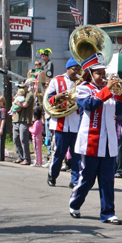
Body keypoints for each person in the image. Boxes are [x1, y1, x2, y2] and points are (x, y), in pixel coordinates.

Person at [68, 54, 122, 223]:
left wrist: (120, 93)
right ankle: (75, 203)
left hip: (109, 143)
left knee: (107, 181)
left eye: (103, 72)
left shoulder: (108, 90)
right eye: (98, 73)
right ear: (90, 74)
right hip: (90, 142)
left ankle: (108, 213)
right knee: (87, 179)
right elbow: (90, 105)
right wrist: (107, 89)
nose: (102, 76)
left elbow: (120, 111)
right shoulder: (83, 88)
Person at [45, 58, 82, 188]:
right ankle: (52, 175)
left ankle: (75, 180)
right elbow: (48, 99)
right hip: (61, 123)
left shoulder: (82, 82)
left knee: (77, 154)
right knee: (59, 153)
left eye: (79, 69)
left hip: (77, 123)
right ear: (68, 69)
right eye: (75, 69)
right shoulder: (57, 80)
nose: (77, 72)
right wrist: (57, 97)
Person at [12, 79, 35, 165]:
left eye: (22, 87)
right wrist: (16, 102)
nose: (20, 89)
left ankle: (27, 159)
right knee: (15, 139)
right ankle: (19, 157)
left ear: (27, 87)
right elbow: (13, 104)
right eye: (19, 87)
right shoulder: (18, 95)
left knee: (23, 139)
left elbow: (25, 105)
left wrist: (17, 102)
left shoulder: (29, 95)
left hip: (24, 120)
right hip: (16, 119)